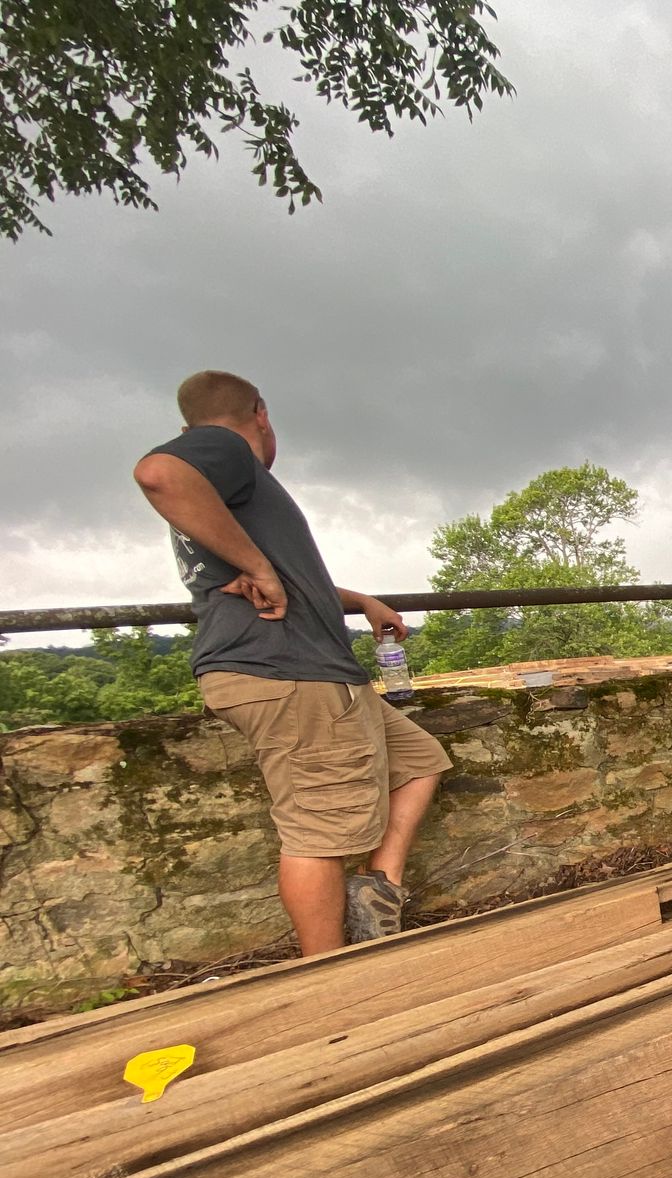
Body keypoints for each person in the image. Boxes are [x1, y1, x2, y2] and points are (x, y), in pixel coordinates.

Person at [132, 371, 451, 954]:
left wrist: (359, 601)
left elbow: (293, 581)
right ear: (260, 413)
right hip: (291, 675)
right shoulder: (224, 448)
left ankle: (379, 887)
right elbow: (159, 475)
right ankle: (325, 980)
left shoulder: (226, 500)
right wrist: (257, 564)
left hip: (313, 676)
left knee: (420, 761)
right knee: (317, 834)